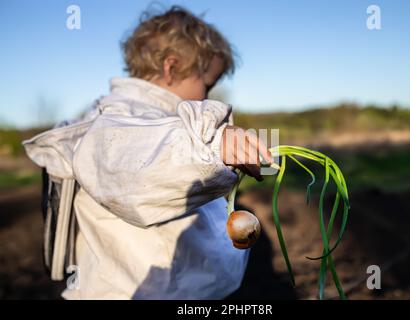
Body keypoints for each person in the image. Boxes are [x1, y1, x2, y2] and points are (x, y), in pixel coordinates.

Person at [23, 6, 272, 299]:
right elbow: (140, 165)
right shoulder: (118, 121)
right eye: (207, 84)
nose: (207, 97)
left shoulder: (154, 122)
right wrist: (211, 146)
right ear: (171, 67)